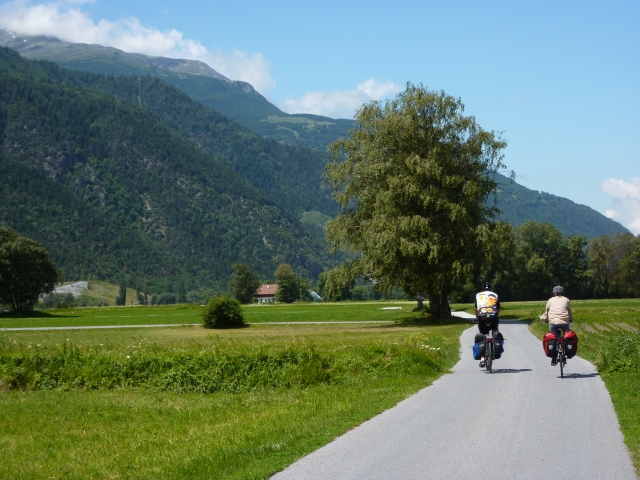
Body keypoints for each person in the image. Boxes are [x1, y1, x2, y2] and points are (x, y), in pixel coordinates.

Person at [540, 285, 573, 365]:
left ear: (554, 293)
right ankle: (565, 354)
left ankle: (554, 357)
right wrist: (571, 319)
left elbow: (547, 311)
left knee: (554, 339)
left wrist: (546, 319)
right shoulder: (566, 300)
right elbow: (569, 312)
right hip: (565, 322)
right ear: (562, 292)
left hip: (553, 323)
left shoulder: (550, 300)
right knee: (566, 337)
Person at [474, 281, 501, 368]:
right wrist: (495, 315)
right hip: (493, 316)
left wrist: (478, 317)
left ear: (482, 289)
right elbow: (498, 309)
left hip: (482, 317)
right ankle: (496, 342)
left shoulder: (478, 295)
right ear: (491, 289)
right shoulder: (495, 295)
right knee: (495, 328)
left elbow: (476, 309)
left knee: (483, 335)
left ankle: (482, 359)